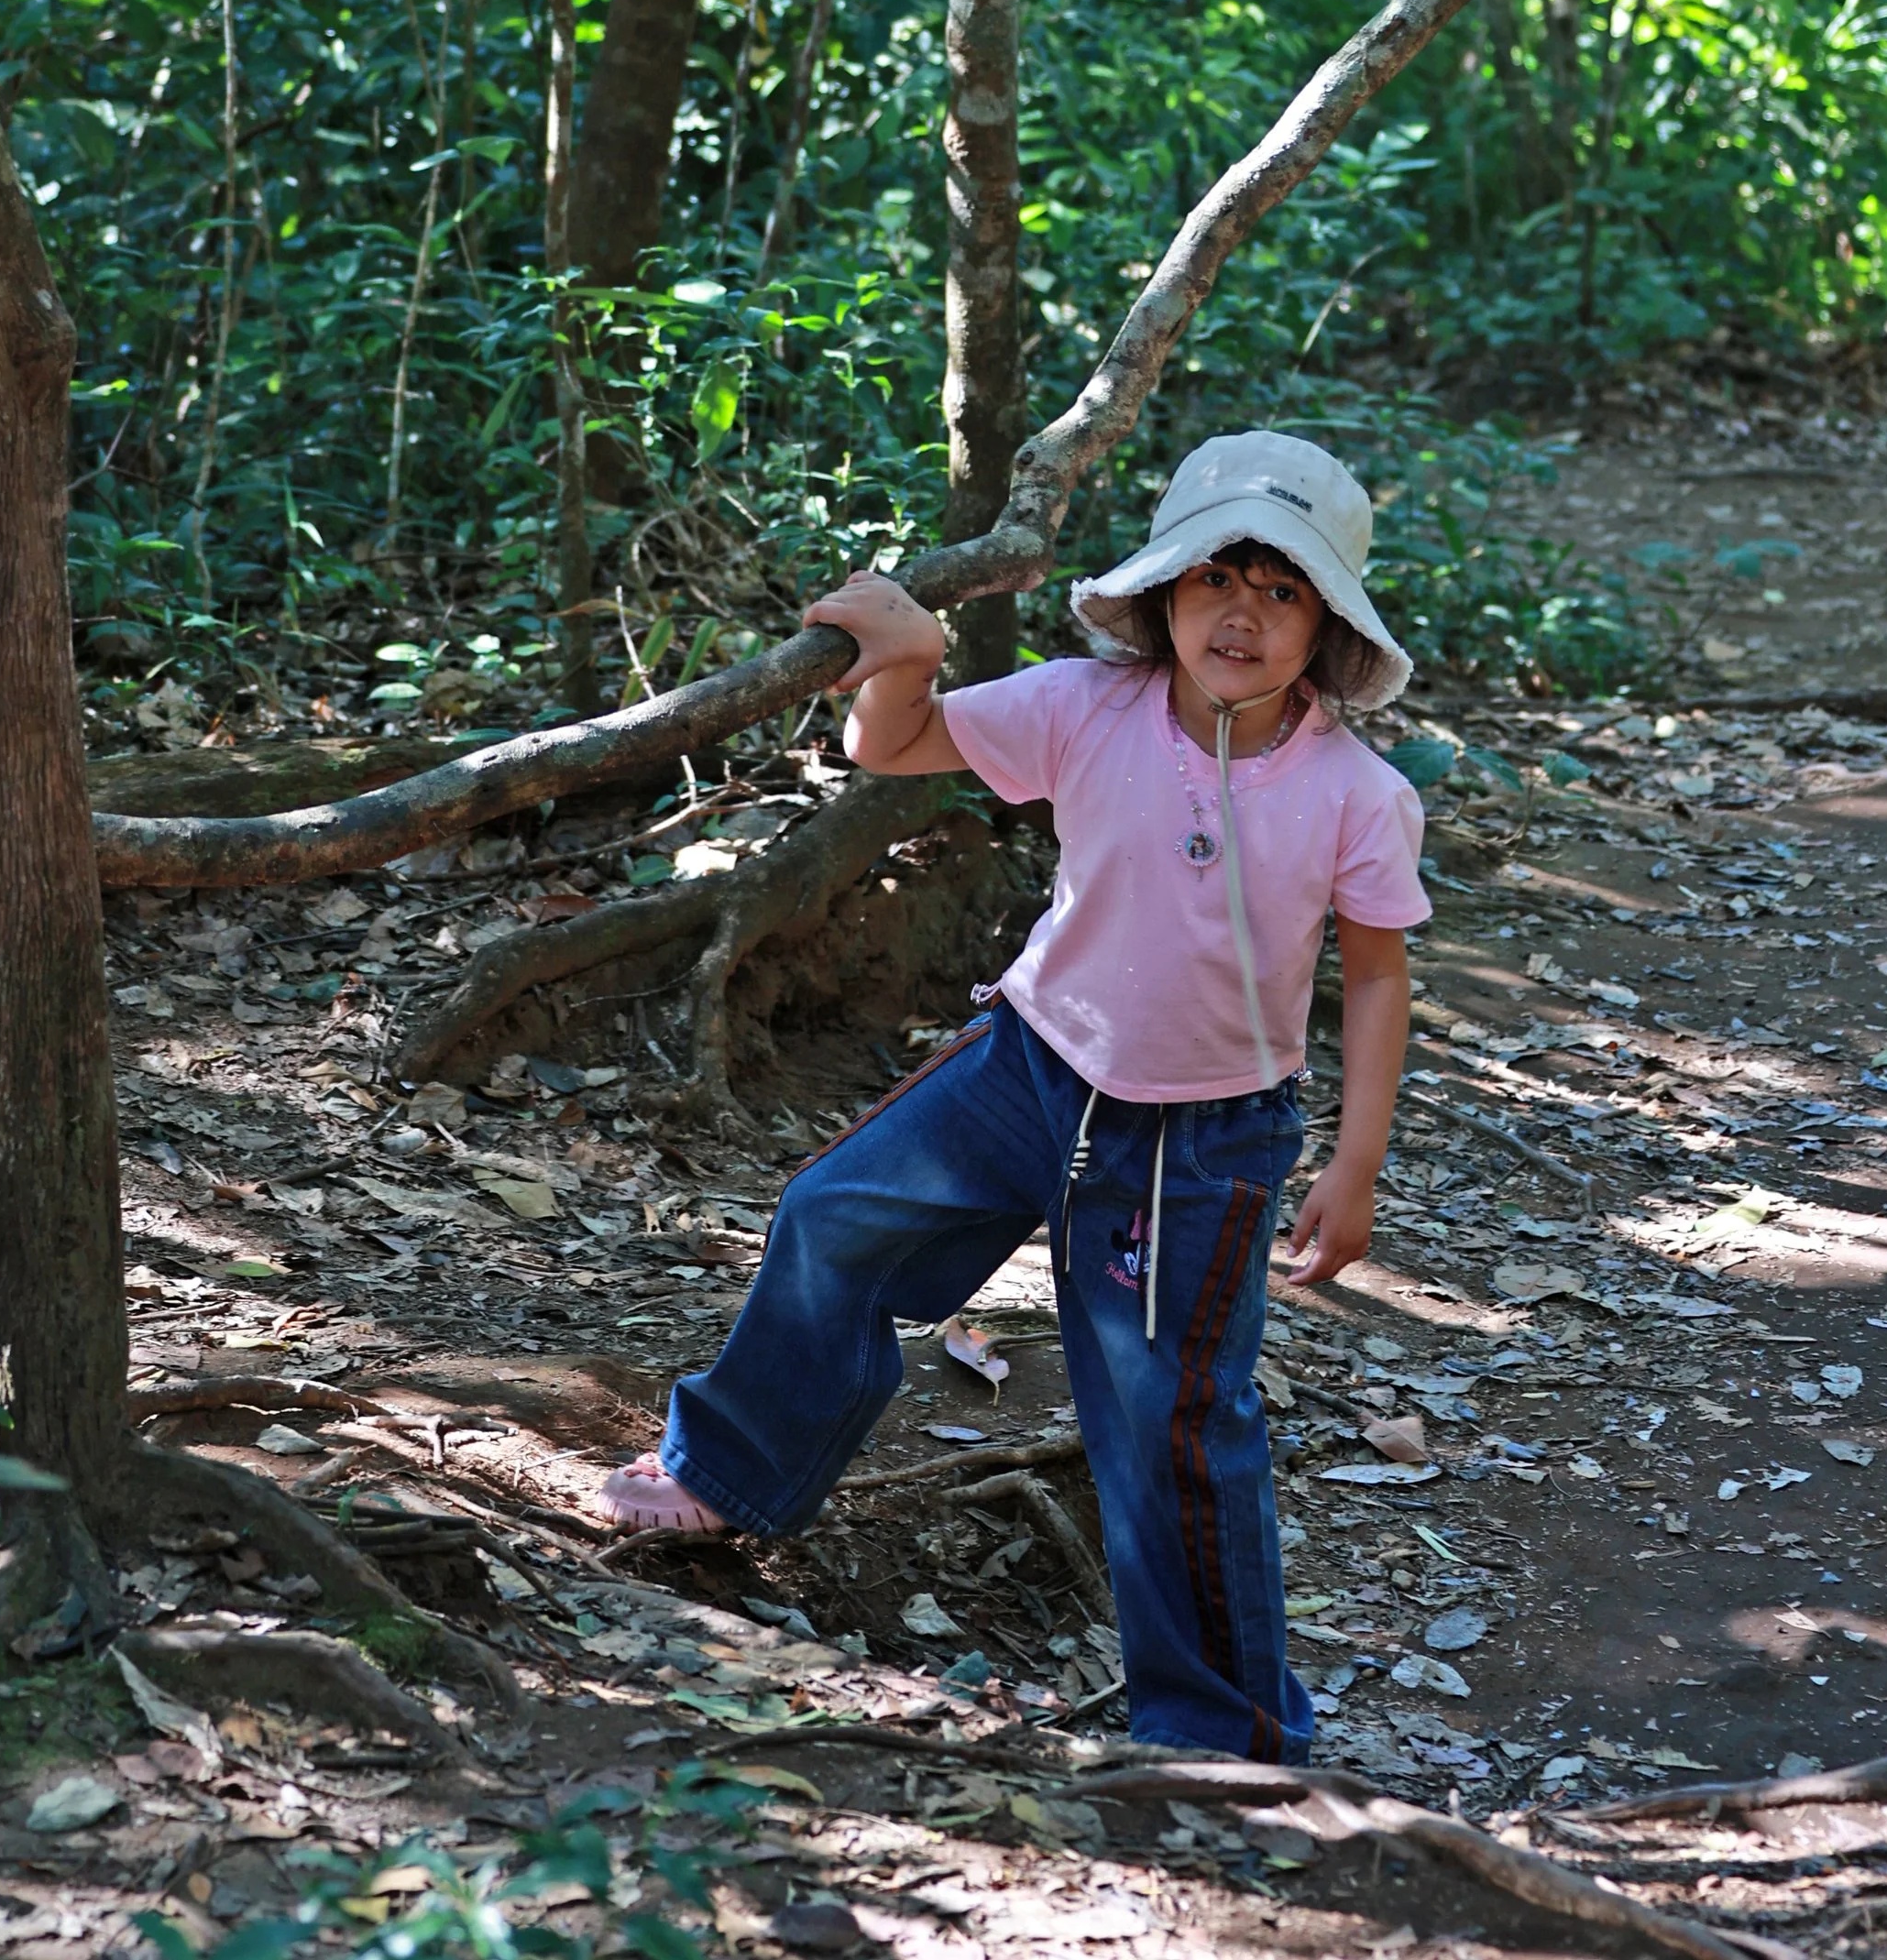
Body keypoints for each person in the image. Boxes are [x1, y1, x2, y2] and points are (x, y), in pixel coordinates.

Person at [593, 430, 1429, 1759]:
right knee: (832, 1220)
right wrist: (907, 654)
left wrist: (1358, 1161)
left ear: (1326, 625)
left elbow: (1377, 979)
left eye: (1283, 592)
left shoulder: (1353, 795)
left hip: (1199, 1146)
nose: (1244, 614)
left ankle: (1222, 1732)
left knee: (1169, 1426)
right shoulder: (1087, 707)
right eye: (1220, 578)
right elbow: (899, 746)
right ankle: (729, 1471)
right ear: (1164, 591)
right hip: (1031, 1066)